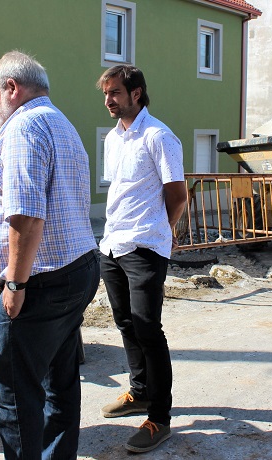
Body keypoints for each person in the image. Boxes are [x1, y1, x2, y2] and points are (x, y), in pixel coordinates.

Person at [0, 50, 100, 459]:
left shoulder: (23, 127)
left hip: (39, 281)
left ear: (12, 88)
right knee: (58, 383)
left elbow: (26, 216)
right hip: (74, 268)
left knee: (13, 390)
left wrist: (14, 282)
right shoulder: (59, 122)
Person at [96, 65, 188, 453]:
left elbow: (178, 194)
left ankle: (160, 419)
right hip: (113, 244)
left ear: (136, 93)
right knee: (125, 323)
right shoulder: (112, 139)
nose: (108, 101)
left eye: (115, 93)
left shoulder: (159, 136)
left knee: (148, 328)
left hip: (145, 246)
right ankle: (139, 392)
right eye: (105, 94)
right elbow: (120, 190)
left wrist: (160, 232)